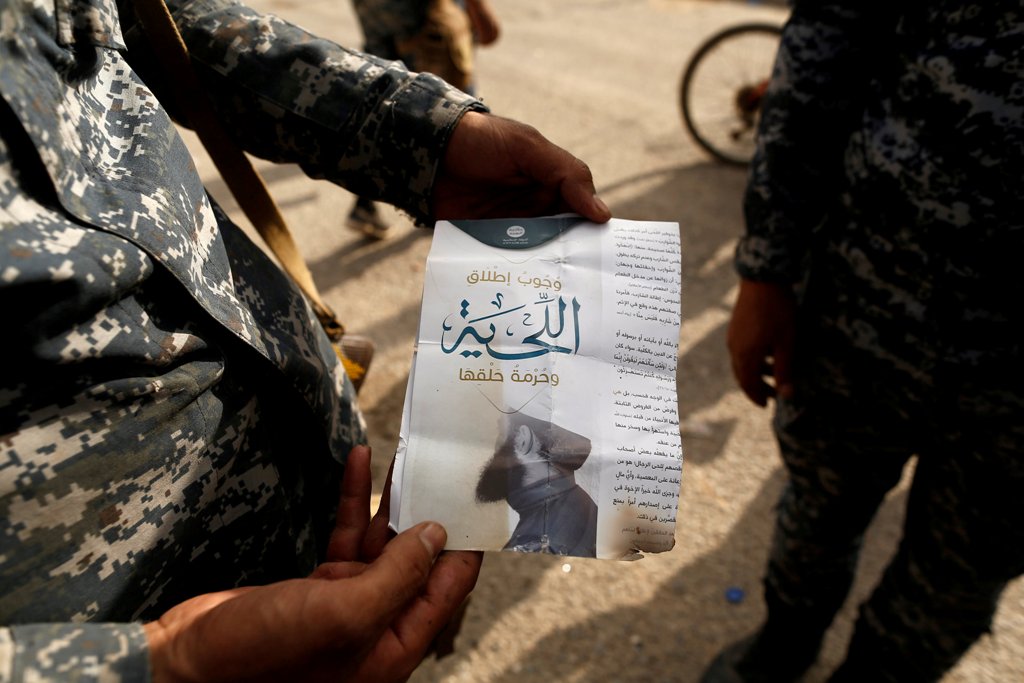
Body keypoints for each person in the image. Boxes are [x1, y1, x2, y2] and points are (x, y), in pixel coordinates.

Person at [0, 0, 611, 679]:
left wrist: (419, 134)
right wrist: (162, 660)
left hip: (318, 511)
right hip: (129, 618)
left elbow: (137, 19)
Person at [702, 3, 1023, 682]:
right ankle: (783, 645)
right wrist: (767, 266)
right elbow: (830, 35)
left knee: (954, 582)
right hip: (868, 302)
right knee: (817, 513)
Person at [346, 0, 501, 238]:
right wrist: (479, 8)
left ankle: (365, 202)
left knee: (384, 97)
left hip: (373, 10)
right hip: (421, 13)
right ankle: (462, 205)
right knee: (453, 101)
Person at [475, 417, 598, 557]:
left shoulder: (533, 545)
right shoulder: (582, 505)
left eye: (500, 432)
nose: (493, 448)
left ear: (522, 440)